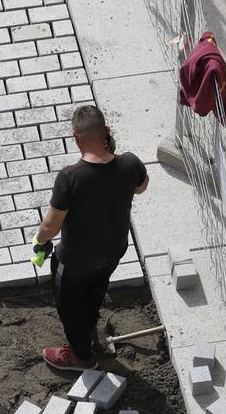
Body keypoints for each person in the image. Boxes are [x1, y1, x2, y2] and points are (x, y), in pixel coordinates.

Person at [32, 105, 149, 371]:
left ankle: (81, 356)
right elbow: (141, 187)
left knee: (70, 305)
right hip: (113, 251)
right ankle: (90, 333)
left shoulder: (70, 177)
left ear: (76, 137)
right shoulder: (130, 163)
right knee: (95, 291)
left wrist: (39, 240)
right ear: (106, 131)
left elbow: (51, 227)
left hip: (75, 260)